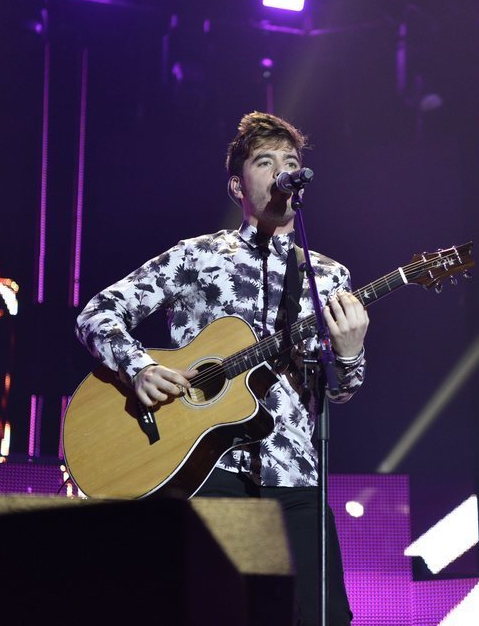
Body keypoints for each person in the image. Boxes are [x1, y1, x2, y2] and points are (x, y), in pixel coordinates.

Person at [76, 111, 368, 625]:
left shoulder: (326, 275)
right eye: (265, 161)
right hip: (204, 468)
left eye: (291, 162)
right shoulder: (196, 257)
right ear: (237, 184)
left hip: (296, 475)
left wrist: (350, 354)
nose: (283, 170)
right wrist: (140, 367)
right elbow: (98, 313)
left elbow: (340, 392)